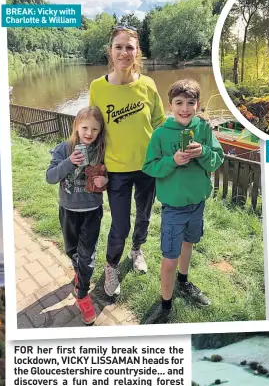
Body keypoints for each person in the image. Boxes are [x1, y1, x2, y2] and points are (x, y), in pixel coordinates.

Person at [88, 24, 165, 298]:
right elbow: (93, 129)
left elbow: (159, 123)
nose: (124, 52)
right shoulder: (98, 87)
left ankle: (137, 250)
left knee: (144, 216)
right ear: (110, 51)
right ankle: (111, 266)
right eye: (118, 46)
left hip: (147, 168)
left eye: (129, 47)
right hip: (116, 172)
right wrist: (94, 170)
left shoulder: (148, 84)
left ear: (137, 52)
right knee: (120, 224)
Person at [141, 78, 224, 324]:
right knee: (170, 257)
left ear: (197, 105)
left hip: (197, 203)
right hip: (174, 208)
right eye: (179, 103)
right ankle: (165, 305)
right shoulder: (160, 134)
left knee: (189, 244)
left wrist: (204, 152)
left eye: (190, 103)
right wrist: (172, 161)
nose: (185, 108)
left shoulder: (204, 129)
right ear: (170, 105)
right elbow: (149, 167)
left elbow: (217, 159)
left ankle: (184, 281)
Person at [45, 106, 108, 325]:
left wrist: (105, 182)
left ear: (100, 132)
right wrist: (70, 161)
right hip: (68, 211)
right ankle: (79, 274)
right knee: (73, 251)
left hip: (92, 212)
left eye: (94, 129)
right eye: (84, 128)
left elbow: (108, 176)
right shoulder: (64, 149)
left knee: (87, 255)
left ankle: (82, 294)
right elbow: (51, 177)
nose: (89, 133)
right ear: (76, 127)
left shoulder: (102, 150)